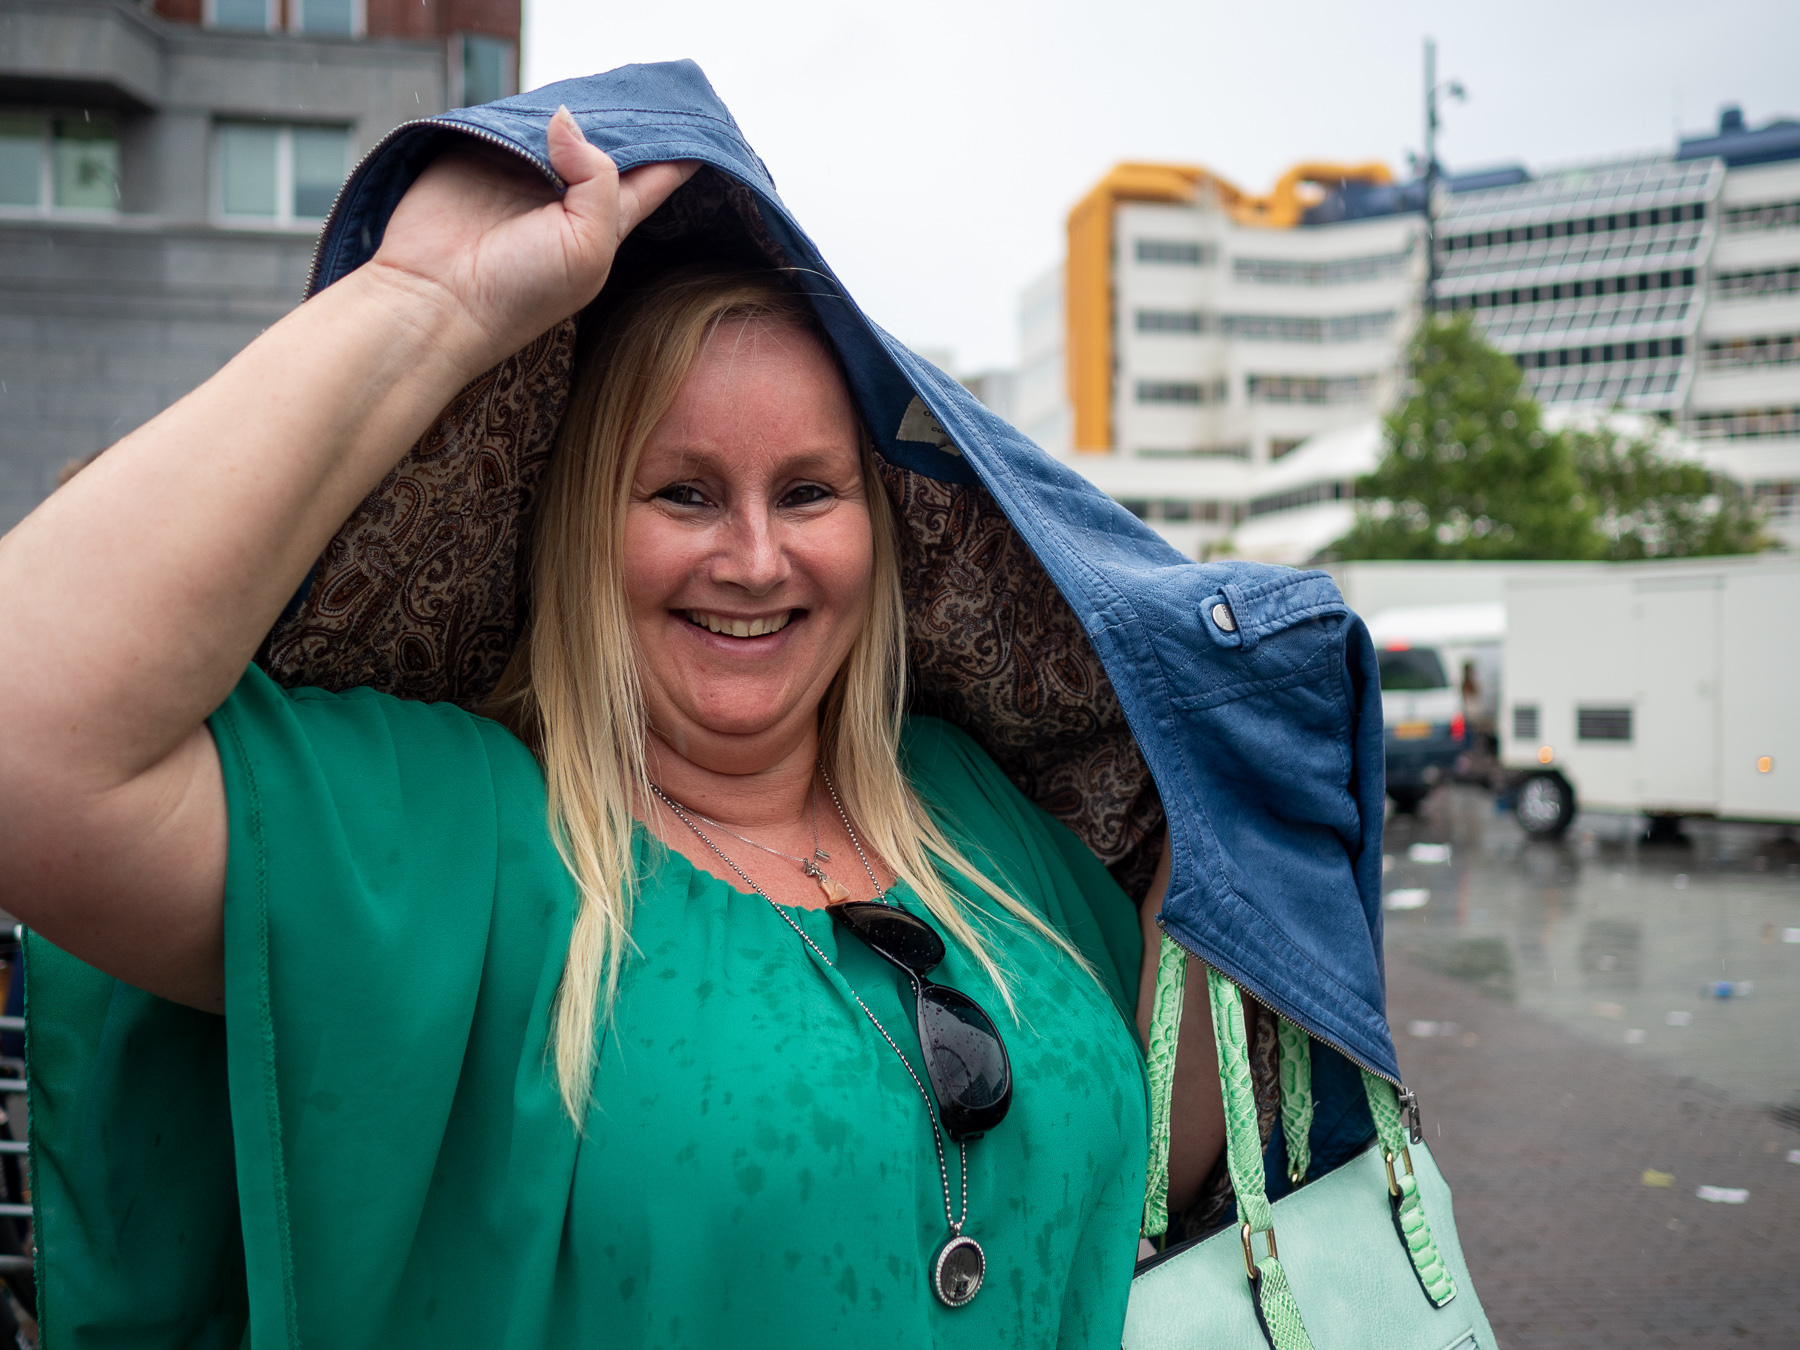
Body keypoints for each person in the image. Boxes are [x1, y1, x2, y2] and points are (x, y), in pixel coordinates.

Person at [0, 105, 1243, 1347]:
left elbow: (1155, 1147)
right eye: (685, 493)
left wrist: (1246, 786)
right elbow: (27, 738)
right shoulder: (464, 844)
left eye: (808, 490)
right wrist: (423, 300)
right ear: (585, 525)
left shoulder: (966, 806)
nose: (756, 559)